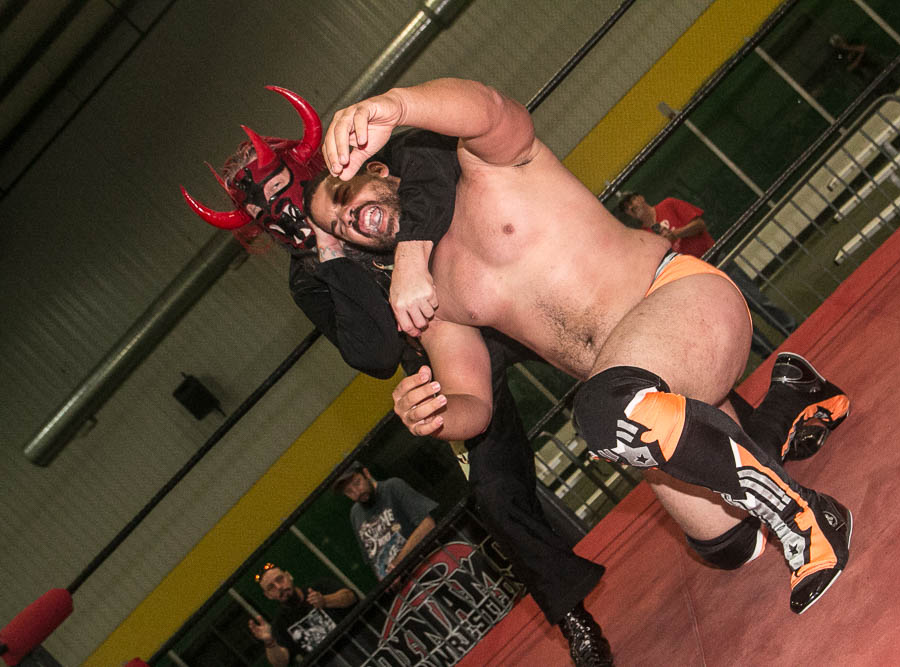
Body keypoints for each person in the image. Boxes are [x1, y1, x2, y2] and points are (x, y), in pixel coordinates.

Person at [315, 77, 854, 615]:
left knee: (604, 410)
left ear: (377, 169)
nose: (350, 218)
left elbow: (490, 107)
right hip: (643, 400)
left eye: (344, 195)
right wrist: (434, 415)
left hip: (682, 303)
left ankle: (811, 517)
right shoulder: (429, 295)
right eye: (339, 227)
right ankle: (792, 395)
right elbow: (474, 404)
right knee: (730, 545)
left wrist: (395, 105)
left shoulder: (487, 166)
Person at [180, 88, 614, 665]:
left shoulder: (376, 166)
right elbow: (375, 354)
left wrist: (411, 255)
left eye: (283, 193)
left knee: (610, 346)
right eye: (267, 214)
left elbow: (436, 161)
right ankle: (574, 618)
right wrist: (332, 254)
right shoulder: (309, 277)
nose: (283, 214)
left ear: (307, 173)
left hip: (499, 294)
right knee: (493, 493)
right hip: (447, 360)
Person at [618, 192, 798, 358]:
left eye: (632, 200)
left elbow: (699, 225)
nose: (632, 206)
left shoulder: (668, 205)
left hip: (716, 259)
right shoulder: (645, 236)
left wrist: (675, 234)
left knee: (756, 300)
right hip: (700, 279)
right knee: (737, 319)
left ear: (641, 197)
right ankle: (771, 357)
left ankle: (794, 331)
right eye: (627, 208)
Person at [333, 462, 439, 580]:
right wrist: (386, 581)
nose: (357, 492)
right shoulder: (355, 514)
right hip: (402, 584)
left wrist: (397, 564)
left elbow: (427, 525)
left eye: (357, 483)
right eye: (349, 491)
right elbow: (372, 560)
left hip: (428, 566)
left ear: (366, 474)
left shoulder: (392, 487)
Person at [248, 562, 357, 667]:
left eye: (280, 579)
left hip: (357, 644)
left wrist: (325, 600)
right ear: (268, 595)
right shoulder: (280, 624)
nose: (279, 587)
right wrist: (269, 642)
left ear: (289, 576)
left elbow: (351, 597)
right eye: (271, 587)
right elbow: (281, 663)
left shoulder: (319, 587)